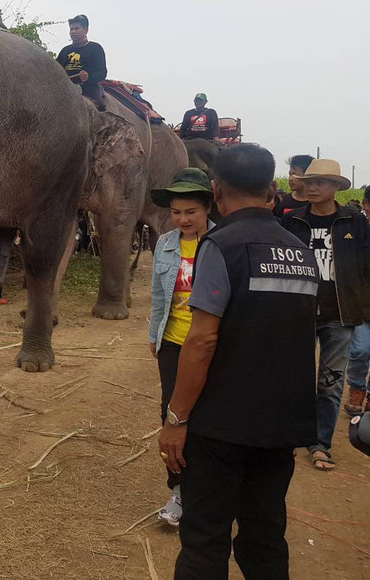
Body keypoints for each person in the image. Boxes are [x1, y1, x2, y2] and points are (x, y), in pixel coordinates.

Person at [158, 143, 319, 580]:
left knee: (205, 539)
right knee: (265, 537)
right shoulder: (300, 254)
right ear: (271, 190)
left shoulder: (219, 245)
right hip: (280, 426)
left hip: (220, 427)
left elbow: (202, 340)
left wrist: (176, 419)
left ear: (216, 189)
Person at [281, 159, 370, 468]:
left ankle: (321, 444)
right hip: (299, 313)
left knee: (331, 382)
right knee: (294, 378)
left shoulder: (354, 221)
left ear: (336, 188)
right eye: (310, 181)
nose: (313, 186)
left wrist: (363, 307)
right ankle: (291, 437)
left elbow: (366, 267)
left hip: (339, 316)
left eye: (321, 182)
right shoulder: (292, 221)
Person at [147, 168, 215, 527]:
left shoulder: (223, 244)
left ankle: (211, 490)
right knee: (171, 416)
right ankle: (178, 492)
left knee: (210, 416)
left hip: (211, 346)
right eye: (176, 212)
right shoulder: (166, 243)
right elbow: (160, 297)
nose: (183, 219)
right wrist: (153, 335)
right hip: (174, 342)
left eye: (190, 211)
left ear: (207, 207)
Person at [55, 14, 107, 111]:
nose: (73, 32)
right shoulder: (65, 51)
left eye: (76, 28)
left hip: (88, 88)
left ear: (86, 30)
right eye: (71, 29)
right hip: (65, 87)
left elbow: (102, 72)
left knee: (99, 110)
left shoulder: (95, 48)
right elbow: (55, 69)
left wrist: (88, 77)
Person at [271, 154, 313, 218]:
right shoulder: (281, 202)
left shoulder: (317, 204)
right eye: (290, 174)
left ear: (307, 176)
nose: (290, 179)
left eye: (294, 174)